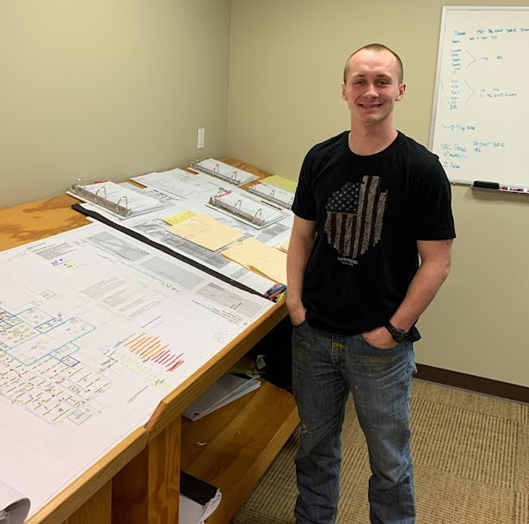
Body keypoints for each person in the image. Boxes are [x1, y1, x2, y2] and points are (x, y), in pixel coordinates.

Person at [286, 43, 456, 524]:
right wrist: (295, 304)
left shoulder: (421, 169)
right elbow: (302, 234)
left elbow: (437, 261)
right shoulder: (320, 158)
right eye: (359, 80)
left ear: (400, 90)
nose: (370, 91)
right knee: (313, 448)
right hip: (314, 335)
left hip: (380, 347)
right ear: (344, 90)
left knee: (388, 463)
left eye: (382, 81)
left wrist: (394, 329)